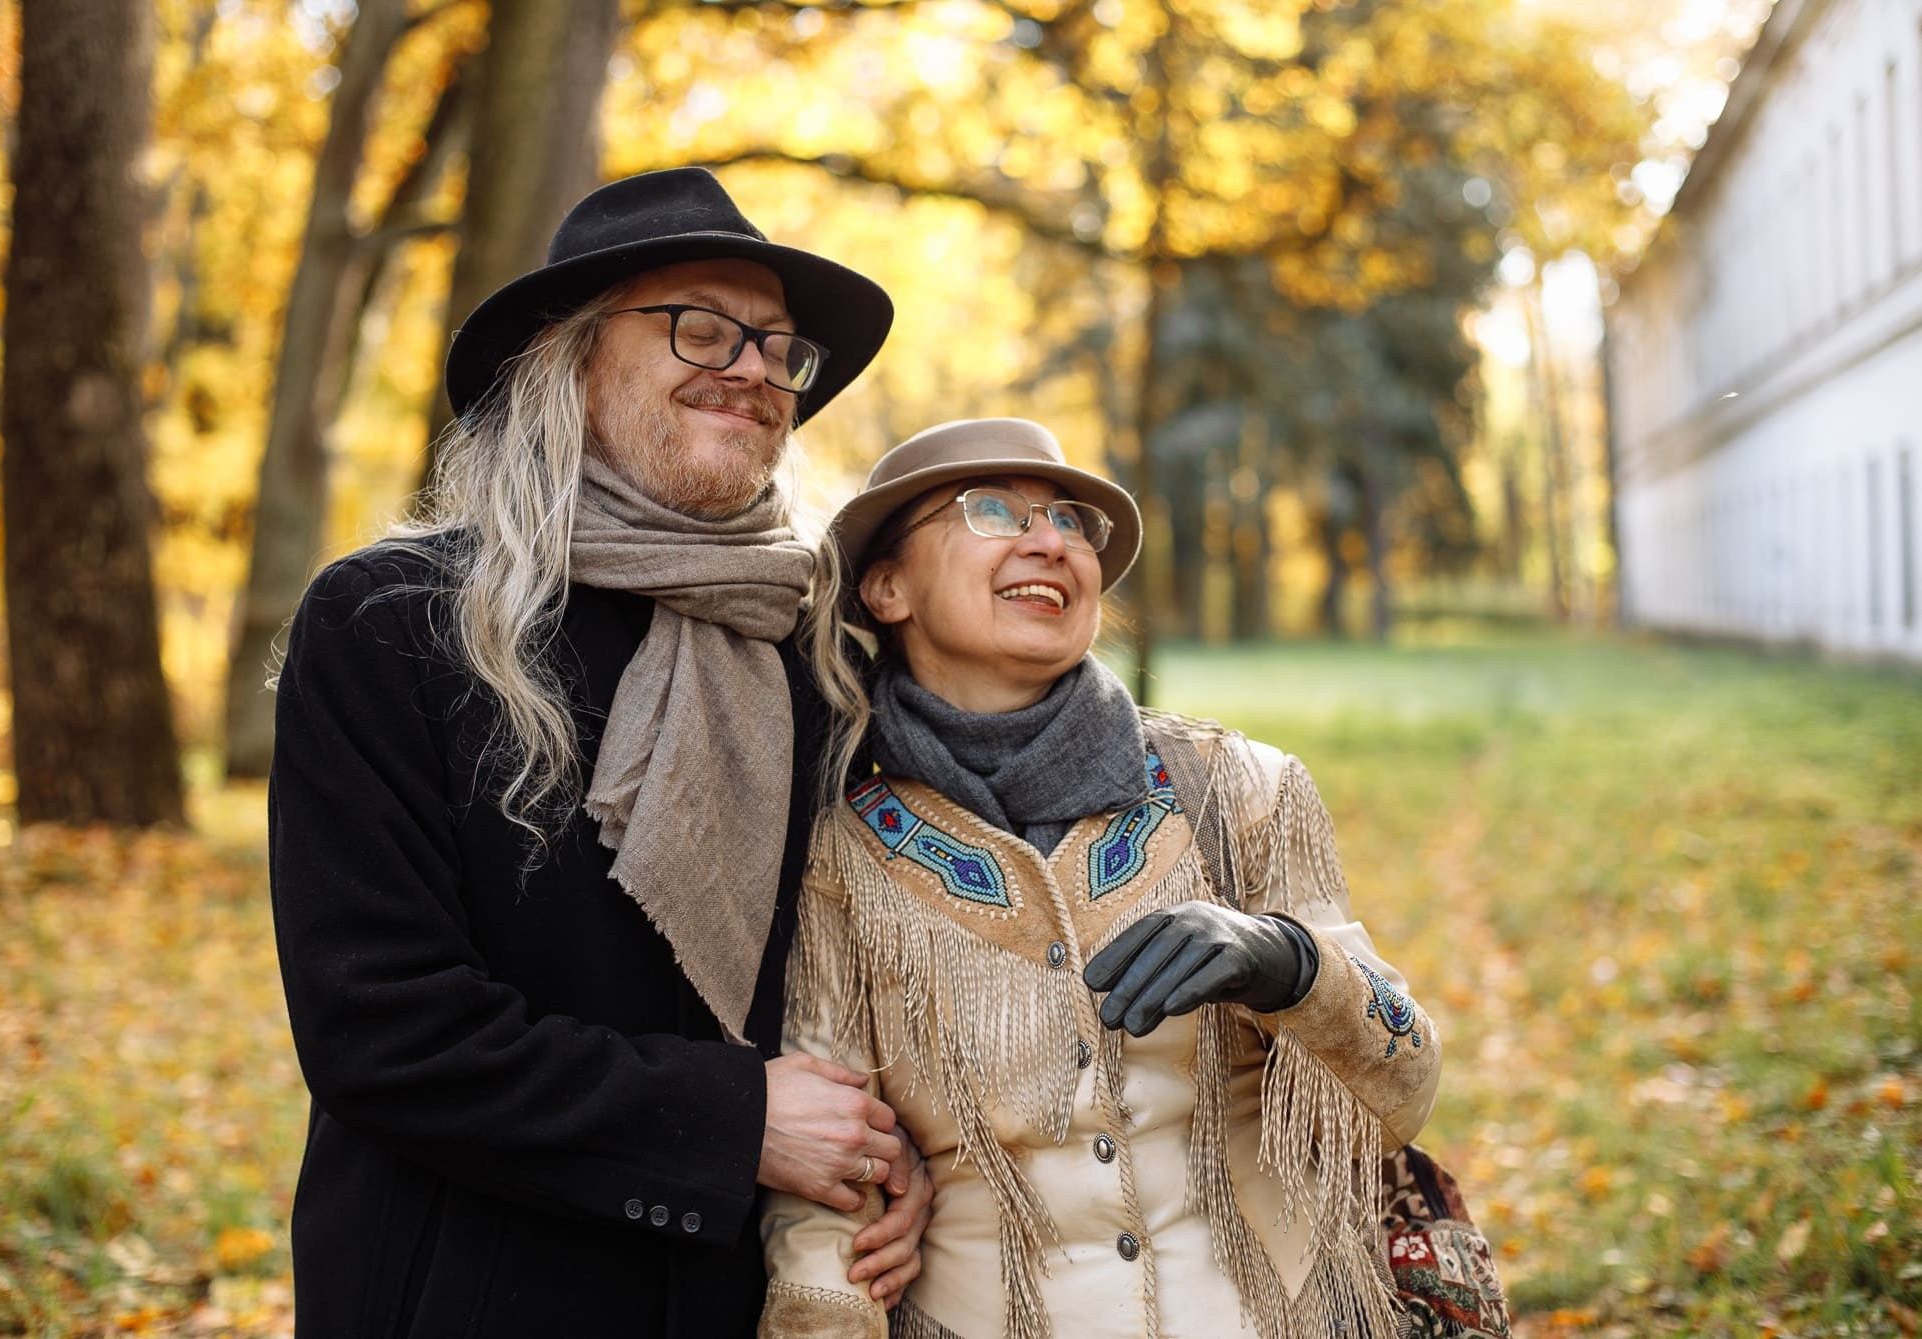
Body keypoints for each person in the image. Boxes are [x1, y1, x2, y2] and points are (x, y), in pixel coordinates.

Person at [268, 168, 932, 1338]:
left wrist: (906, 1150)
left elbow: (896, 967)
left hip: (759, 1292)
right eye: (701, 326)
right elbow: (383, 1029)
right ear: (568, 361)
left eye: (780, 349)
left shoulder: (827, 651)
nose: (754, 369)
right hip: (469, 1284)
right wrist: (733, 1122)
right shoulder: (396, 624)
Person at [758, 418, 1443, 1339]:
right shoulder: (839, 856)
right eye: (992, 510)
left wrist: (1289, 966)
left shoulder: (1241, 791)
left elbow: (1404, 1087)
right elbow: (826, 1195)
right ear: (886, 586)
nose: (1051, 540)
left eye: (1071, 521)